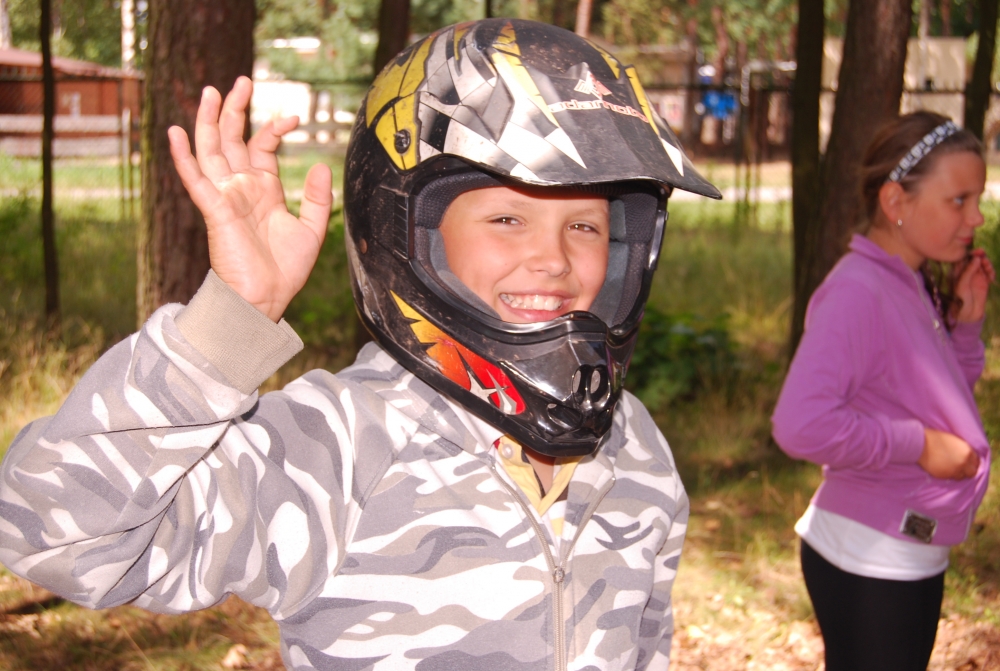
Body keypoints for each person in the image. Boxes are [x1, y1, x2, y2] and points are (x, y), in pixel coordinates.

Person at [0, 20, 721, 671]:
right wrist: (227, 324)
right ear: (412, 232)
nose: (554, 259)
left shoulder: (633, 445)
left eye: (586, 226)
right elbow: (54, 534)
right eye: (507, 219)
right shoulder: (340, 446)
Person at [772, 111, 993, 671]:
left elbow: (936, 399)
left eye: (977, 199)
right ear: (896, 201)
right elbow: (800, 424)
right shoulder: (858, 291)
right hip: (871, 556)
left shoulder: (906, 281)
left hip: (902, 550)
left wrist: (966, 327)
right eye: (959, 200)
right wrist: (917, 444)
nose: (976, 217)